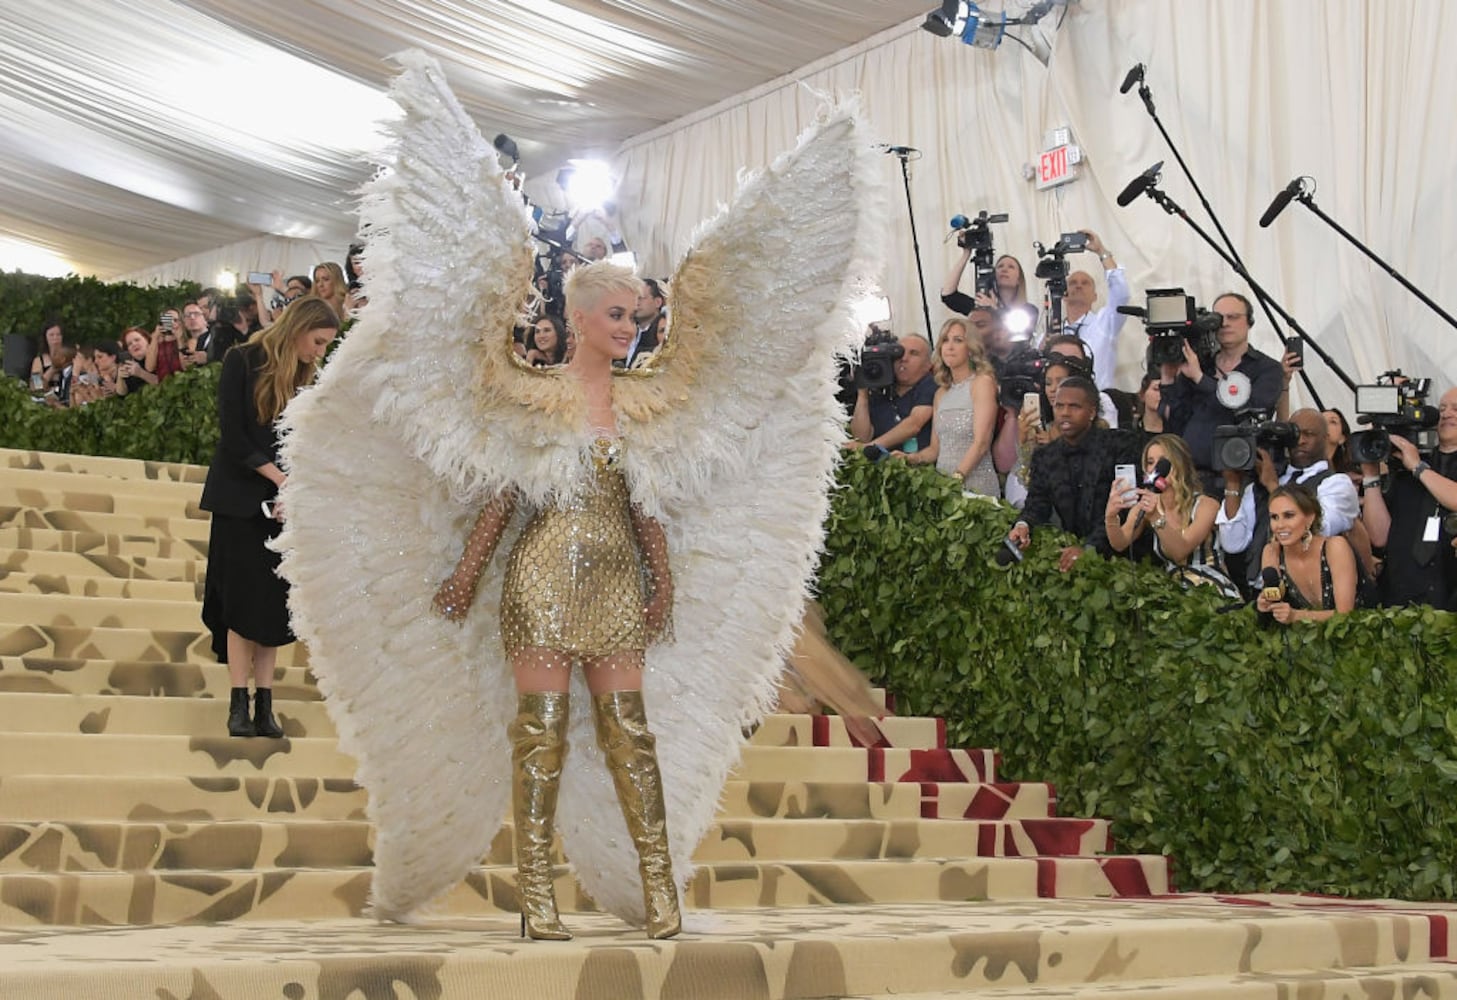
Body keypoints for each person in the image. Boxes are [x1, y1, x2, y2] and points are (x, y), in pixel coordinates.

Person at [431, 263, 680, 940]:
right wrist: (466, 574)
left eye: (636, 316)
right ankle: (535, 894)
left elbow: (647, 505)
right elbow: (504, 496)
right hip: (539, 577)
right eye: (617, 315)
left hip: (616, 582)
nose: (630, 327)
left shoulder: (640, 404)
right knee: (539, 739)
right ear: (581, 319)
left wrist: (663, 581)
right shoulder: (538, 397)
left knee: (630, 736)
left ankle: (659, 883)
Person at [200, 297, 339, 740]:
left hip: (281, 505)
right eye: (317, 341)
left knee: (272, 609)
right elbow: (234, 435)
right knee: (241, 607)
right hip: (239, 500)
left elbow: (305, 442)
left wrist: (293, 485)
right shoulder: (242, 360)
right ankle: (238, 703)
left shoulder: (305, 378)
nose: (319, 352)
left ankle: (265, 705)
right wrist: (281, 479)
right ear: (298, 328)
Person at [1217, 408, 1361, 594]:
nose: (1301, 441)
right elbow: (1232, 543)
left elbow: (1319, 527)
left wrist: (1273, 487)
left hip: (1311, 595)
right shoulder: (1261, 483)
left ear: (1326, 439)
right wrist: (1233, 483)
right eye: (1295, 435)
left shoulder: (1337, 483)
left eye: (1309, 434)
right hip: (1259, 593)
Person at [1009, 376, 1143, 571]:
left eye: (1074, 407)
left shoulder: (1121, 444)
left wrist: (1089, 549)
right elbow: (1036, 504)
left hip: (1124, 561)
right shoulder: (1045, 456)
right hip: (1071, 561)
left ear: (1092, 412)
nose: (1064, 413)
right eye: (1059, 406)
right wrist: (1023, 525)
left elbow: (1126, 506)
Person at [1158, 292, 1283, 486]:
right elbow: (1175, 419)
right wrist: (1168, 379)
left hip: (1238, 479)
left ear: (1249, 322)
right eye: (1217, 319)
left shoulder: (1267, 369)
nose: (1224, 324)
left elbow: (1251, 409)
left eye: (1233, 317)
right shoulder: (1200, 365)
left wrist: (1201, 379)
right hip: (1191, 477)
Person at [1359, 387, 1457, 609]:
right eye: (1442, 409)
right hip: (1399, 597)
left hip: (1448, 599)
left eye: (1456, 409)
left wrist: (1417, 467)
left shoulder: (1415, 465)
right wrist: (1371, 478)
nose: (1446, 414)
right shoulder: (1408, 466)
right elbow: (1380, 536)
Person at [1106, 434, 1234, 592]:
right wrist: (1111, 516)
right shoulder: (1146, 505)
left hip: (1210, 587)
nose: (1155, 469)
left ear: (1180, 464)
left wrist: (1155, 517)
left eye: (1163, 462)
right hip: (1174, 590)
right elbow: (1120, 543)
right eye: (1150, 462)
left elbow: (1180, 551)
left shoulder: (1206, 505)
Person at [894, 317, 999, 496]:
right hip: (945, 488)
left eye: (958, 340)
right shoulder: (940, 393)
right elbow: (935, 450)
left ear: (970, 348)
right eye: (945, 340)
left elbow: (981, 443)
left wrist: (956, 479)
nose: (949, 347)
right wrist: (912, 458)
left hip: (975, 487)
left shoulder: (982, 383)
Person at [1256, 483, 1357, 622]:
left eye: (1289, 515)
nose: (1279, 525)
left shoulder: (1335, 547)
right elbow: (1274, 612)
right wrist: (1265, 607)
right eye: (1274, 517)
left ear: (1310, 517)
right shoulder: (1271, 552)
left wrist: (1297, 616)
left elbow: (1346, 615)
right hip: (1304, 639)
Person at [1050, 230, 1129, 390]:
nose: (1078, 286)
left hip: (1098, 402)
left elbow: (1121, 294)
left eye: (1085, 283)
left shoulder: (1104, 323)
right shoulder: (1052, 331)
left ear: (1095, 296)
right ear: (1063, 294)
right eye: (1073, 283)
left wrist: (1101, 251)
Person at [845, 333, 937, 454]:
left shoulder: (930, 384)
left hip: (918, 466)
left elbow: (914, 425)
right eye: (899, 353)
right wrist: (863, 395)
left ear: (928, 364)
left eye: (914, 353)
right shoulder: (881, 390)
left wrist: (869, 447)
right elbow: (861, 438)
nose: (904, 359)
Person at [943, 250, 1038, 338]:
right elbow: (948, 295)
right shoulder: (981, 307)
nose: (1004, 269)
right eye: (1000, 266)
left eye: (1011, 267)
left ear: (1018, 280)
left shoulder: (1029, 310)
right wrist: (966, 255)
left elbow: (1023, 335)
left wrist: (994, 309)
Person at [114, 327, 159, 395]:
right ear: (128, 350)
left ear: (147, 340)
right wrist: (120, 378)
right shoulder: (129, 364)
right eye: (129, 344)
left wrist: (140, 373)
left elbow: (164, 383)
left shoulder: (159, 355)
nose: (134, 344)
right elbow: (122, 393)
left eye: (137, 340)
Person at [29, 320, 66, 391]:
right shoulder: (38, 361)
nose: (55, 338)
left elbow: (91, 379)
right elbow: (35, 387)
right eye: (51, 335)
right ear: (45, 337)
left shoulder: (72, 357)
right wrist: (53, 369)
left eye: (58, 334)